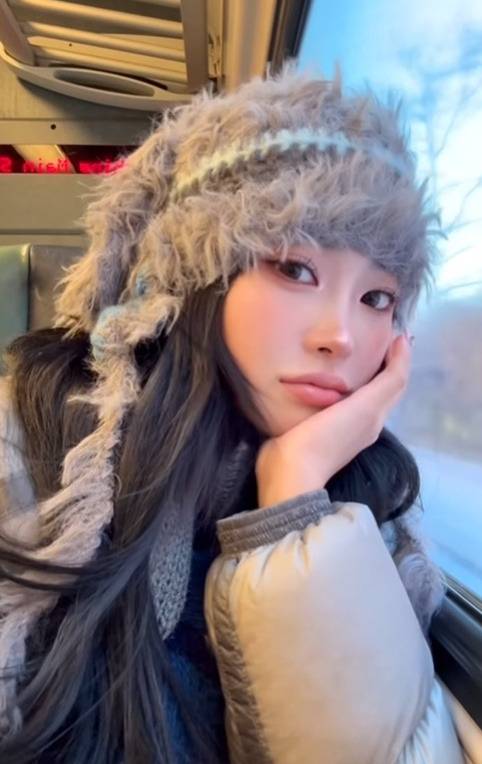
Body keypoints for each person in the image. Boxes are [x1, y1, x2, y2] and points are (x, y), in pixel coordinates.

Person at [0, 62, 469, 763]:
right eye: (295, 269)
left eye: (377, 298)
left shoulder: (377, 510)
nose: (341, 336)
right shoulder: (40, 451)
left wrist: (295, 503)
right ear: (194, 278)